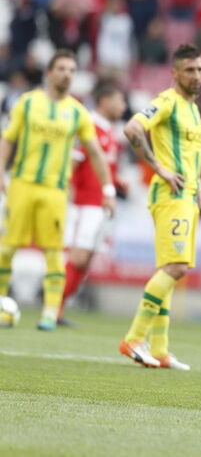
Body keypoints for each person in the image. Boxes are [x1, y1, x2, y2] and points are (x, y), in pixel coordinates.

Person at [0, 49, 116, 330]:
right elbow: (7, 139)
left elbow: (96, 153)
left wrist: (108, 189)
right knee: (7, 248)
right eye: (62, 68)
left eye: (72, 70)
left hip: (54, 190)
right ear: (49, 72)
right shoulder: (27, 103)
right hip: (22, 184)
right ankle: (2, 303)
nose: (67, 74)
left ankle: (50, 311)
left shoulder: (77, 111)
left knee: (53, 251)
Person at [118, 44, 201, 370]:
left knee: (170, 267)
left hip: (188, 194)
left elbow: (190, 152)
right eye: (189, 70)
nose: (196, 76)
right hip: (170, 195)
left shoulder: (193, 109)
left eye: (200, 69)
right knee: (176, 267)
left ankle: (161, 349)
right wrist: (161, 169)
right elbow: (133, 128)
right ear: (175, 73)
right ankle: (133, 339)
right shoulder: (167, 101)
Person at [58, 80, 127, 326]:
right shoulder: (87, 127)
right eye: (120, 100)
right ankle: (51, 307)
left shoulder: (109, 131)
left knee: (86, 261)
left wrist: (117, 182)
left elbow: (101, 167)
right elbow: (74, 162)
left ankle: (59, 309)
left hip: (100, 204)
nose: (124, 106)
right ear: (105, 101)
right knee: (77, 257)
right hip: (83, 203)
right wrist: (68, 193)